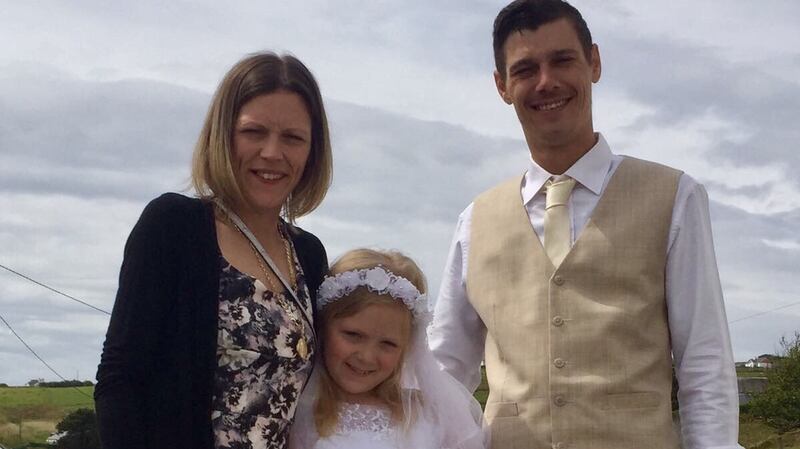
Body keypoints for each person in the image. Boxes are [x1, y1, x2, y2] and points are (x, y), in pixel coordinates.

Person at [429, 1, 742, 448]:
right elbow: (445, 370)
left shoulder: (675, 197)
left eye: (562, 60)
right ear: (501, 85)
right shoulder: (474, 221)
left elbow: (704, 360)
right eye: (524, 69)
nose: (546, 82)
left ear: (594, 62)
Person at [94, 52, 332, 449]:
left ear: (312, 151)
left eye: (292, 137)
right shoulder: (175, 225)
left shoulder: (308, 254)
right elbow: (120, 380)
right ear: (223, 135)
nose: (272, 152)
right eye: (254, 132)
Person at [290, 249, 487, 449]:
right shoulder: (297, 412)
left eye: (388, 344)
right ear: (323, 327)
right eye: (353, 335)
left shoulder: (430, 416)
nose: (367, 356)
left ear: (407, 347)